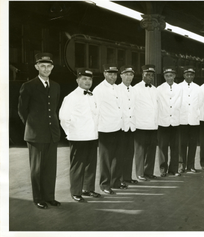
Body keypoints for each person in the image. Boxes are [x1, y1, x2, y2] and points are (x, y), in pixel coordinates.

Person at [18, 52, 61, 209]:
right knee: (37, 169)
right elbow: (22, 111)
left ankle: (49, 197)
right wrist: (32, 126)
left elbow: (54, 108)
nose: (46, 69)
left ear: (52, 67)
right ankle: (38, 198)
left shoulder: (55, 86)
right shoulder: (28, 86)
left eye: (49, 66)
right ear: (36, 67)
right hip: (36, 135)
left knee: (50, 168)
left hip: (52, 134)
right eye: (42, 66)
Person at [59, 68, 100, 202]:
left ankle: (88, 189)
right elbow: (64, 118)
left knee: (90, 164)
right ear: (77, 80)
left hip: (92, 136)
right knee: (77, 165)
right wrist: (71, 133)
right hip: (78, 137)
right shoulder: (71, 97)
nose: (87, 81)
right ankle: (76, 192)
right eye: (84, 79)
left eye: (89, 79)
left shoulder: (92, 95)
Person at [93, 64, 127, 194]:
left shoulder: (118, 88)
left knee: (118, 157)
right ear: (104, 74)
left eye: (115, 74)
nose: (113, 77)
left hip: (118, 127)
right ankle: (105, 184)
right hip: (105, 128)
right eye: (110, 74)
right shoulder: (99, 90)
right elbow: (96, 110)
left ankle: (116, 182)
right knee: (106, 159)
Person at [133, 64, 158, 181]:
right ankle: (140, 173)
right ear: (142, 75)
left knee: (151, 150)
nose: (149, 77)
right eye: (147, 74)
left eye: (152, 75)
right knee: (140, 151)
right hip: (140, 125)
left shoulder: (154, 89)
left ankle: (149, 172)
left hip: (152, 125)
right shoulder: (136, 89)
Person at [157, 65, 182, 177]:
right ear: (164, 77)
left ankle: (174, 169)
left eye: (171, 75)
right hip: (163, 122)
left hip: (175, 122)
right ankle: (163, 169)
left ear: (174, 76)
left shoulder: (179, 88)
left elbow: (181, 104)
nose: (169, 78)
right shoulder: (159, 89)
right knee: (162, 147)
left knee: (175, 147)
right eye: (167, 76)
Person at [117, 65, 138, 184]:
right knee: (119, 154)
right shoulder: (116, 89)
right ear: (121, 76)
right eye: (126, 74)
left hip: (131, 127)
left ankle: (127, 177)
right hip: (120, 127)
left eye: (131, 75)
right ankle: (119, 179)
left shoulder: (134, 90)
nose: (129, 77)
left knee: (129, 154)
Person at [178, 66, 201, 174]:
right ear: (184, 75)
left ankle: (190, 165)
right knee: (182, 143)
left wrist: (196, 114)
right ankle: (181, 165)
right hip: (182, 120)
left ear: (194, 76)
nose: (189, 76)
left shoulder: (198, 88)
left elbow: (200, 104)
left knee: (193, 143)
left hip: (193, 120)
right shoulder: (178, 87)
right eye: (187, 74)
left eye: (191, 74)